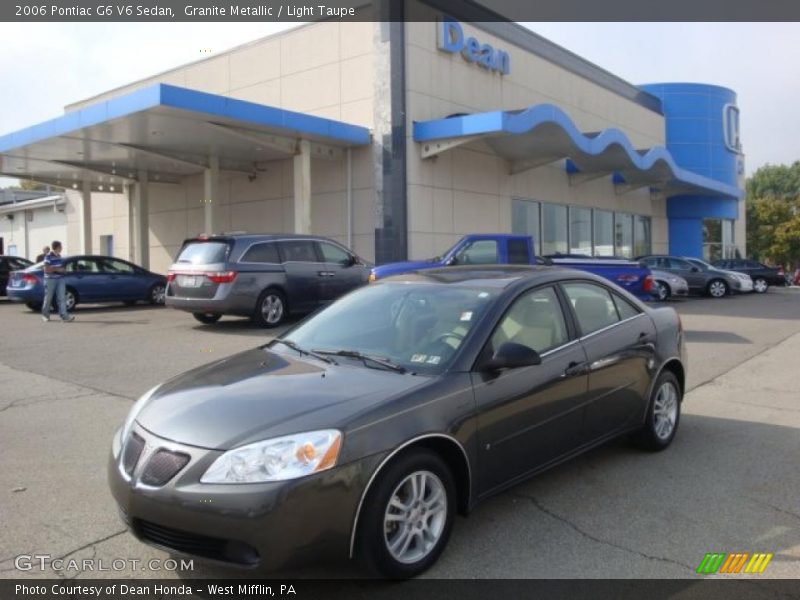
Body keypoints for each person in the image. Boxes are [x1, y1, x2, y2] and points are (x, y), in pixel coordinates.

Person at [42, 241, 74, 323]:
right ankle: (45, 316)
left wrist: (63, 271)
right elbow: (46, 270)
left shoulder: (59, 256)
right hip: (50, 280)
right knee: (48, 298)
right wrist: (57, 269)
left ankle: (64, 316)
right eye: (61, 246)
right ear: (57, 247)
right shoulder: (48, 256)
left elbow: (58, 268)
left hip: (60, 279)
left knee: (62, 298)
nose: (62, 248)